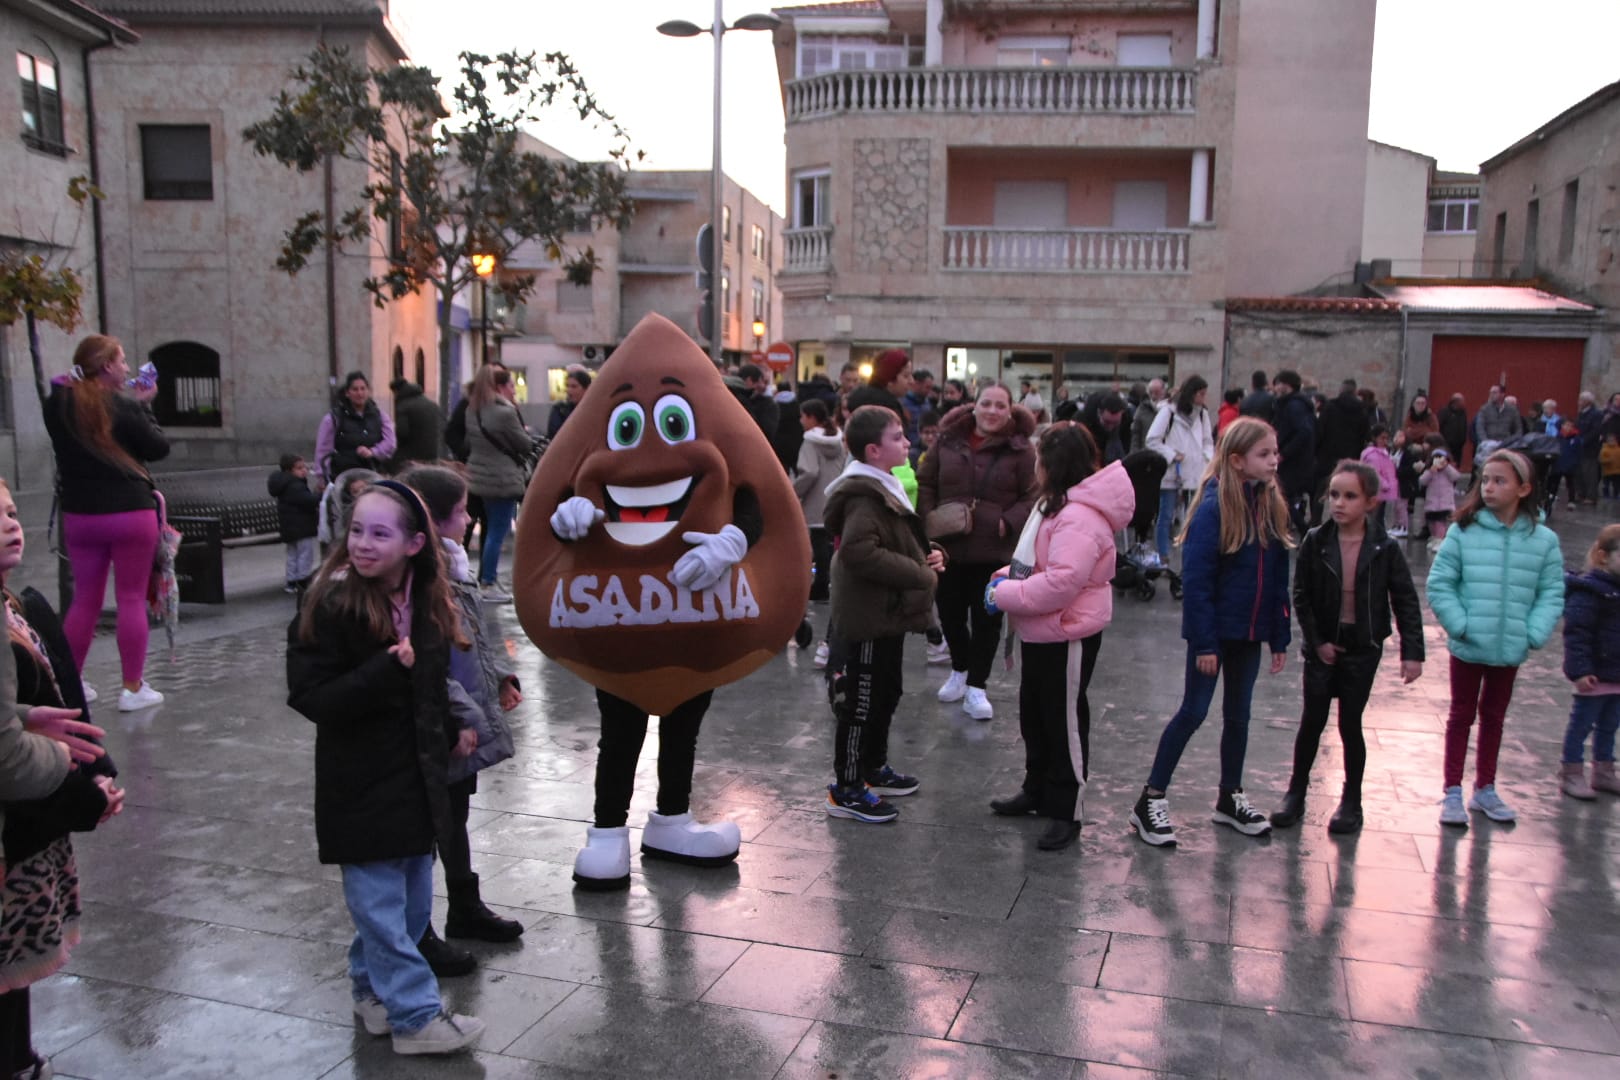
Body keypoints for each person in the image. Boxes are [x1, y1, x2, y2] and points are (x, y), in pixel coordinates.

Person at [286, 481, 486, 1055]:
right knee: (380, 909)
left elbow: (425, 687)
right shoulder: (333, 605)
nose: (364, 544)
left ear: (415, 544)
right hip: (360, 783)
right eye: (356, 531)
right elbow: (312, 696)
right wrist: (382, 670)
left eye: (380, 533)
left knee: (409, 906)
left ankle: (372, 991)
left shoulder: (423, 605)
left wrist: (451, 730)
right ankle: (416, 1017)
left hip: (415, 779)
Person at [0, 477, 122, 1080]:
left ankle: (20, 1057)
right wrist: (77, 782)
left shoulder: (9, 605)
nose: (9, 524)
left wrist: (27, 717)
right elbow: (7, 759)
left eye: (11, 510)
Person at [1130, 418, 1293, 847]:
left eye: (1275, 453)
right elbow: (1198, 582)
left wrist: (1280, 635)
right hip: (1215, 636)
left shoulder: (1272, 504)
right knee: (1194, 712)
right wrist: (1204, 642)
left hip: (1250, 634)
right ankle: (1151, 798)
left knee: (1239, 717)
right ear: (1237, 461)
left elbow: (1278, 579)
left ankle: (1229, 796)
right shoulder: (1214, 509)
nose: (1274, 461)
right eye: (1265, 454)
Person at [399, 466, 523, 972]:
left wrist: (497, 677)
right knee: (428, 827)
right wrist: (456, 719)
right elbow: (428, 659)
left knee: (455, 817)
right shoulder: (421, 577)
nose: (470, 515)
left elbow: (467, 639)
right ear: (433, 517)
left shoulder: (451, 564)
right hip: (438, 724)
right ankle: (419, 932)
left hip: (459, 718)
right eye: (461, 508)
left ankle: (464, 907)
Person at [986, 425, 1131, 851]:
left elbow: (1062, 583)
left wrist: (1005, 593)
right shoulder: (1056, 505)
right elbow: (1033, 563)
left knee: (1063, 719)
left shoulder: (1078, 516)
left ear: (1051, 464)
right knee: (1036, 713)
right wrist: (1002, 581)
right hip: (1042, 628)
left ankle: (1067, 807)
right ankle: (1038, 788)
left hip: (1067, 631)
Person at [1270, 461, 1423, 835]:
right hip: (1323, 647)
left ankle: (1351, 800)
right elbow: (1301, 595)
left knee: (1350, 724)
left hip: (1362, 648)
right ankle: (1296, 793)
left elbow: (1404, 598)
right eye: (1334, 495)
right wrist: (1317, 641)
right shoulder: (1316, 541)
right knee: (1312, 721)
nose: (1339, 503)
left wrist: (1412, 651)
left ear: (1370, 502)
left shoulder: (1383, 547)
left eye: (1350, 496)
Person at [821, 406, 946, 823]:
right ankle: (848, 786)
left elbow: (896, 538)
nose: (908, 442)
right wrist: (919, 574)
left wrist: (929, 556)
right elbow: (859, 551)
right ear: (874, 450)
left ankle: (873, 767)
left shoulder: (884, 484)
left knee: (886, 692)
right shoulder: (863, 494)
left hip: (886, 613)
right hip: (868, 617)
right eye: (898, 437)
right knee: (862, 702)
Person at [1427, 450, 1563, 829]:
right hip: (1469, 643)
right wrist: (1461, 625)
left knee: (1495, 717)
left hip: (1510, 647)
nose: (1488, 487)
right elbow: (1440, 584)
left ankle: (1485, 786)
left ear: (1524, 488)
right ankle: (1452, 789)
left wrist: (1533, 632)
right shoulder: (1463, 530)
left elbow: (1551, 591)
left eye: (1499, 481)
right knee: (1460, 715)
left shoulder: (1543, 540)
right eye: (1485, 479)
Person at [43, 335, 170, 712]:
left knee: (85, 600)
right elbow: (157, 448)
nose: (129, 368)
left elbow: (58, 385)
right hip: (131, 513)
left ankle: (71, 682)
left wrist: (71, 377)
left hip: (81, 517)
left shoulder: (58, 406)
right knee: (130, 597)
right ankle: (132, 688)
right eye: (123, 361)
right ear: (108, 366)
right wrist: (145, 406)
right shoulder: (124, 408)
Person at [917, 384, 1037, 722]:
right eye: (987, 404)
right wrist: (929, 518)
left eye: (1001, 406)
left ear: (1010, 410)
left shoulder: (1022, 450)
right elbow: (926, 483)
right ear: (974, 407)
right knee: (950, 615)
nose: (993, 411)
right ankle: (959, 668)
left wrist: (1008, 521)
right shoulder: (947, 441)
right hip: (948, 546)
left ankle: (977, 686)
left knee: (987, 620)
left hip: (994, 551)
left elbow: (1032, 496)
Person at [1558, 525, 1620, 799]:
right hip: (1594, 676)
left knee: (1610, 726)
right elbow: (1576, 634)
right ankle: (1571, 772)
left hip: (1617, 674)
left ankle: (1604, 770)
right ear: (1604, 556)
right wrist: (1580, 671)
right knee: (1581, 725)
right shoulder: (1590, 591)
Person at [463, 364, 532, 602]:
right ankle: (488, 582)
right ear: (500, 386)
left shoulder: (473, 409)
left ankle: (486, 580)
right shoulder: (505, 412)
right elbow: (523, 444)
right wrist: (526, 434)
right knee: (497, 531)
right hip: (502, 478)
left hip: (479, 476)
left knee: (491, 528)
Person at [1145, 375, 1214, 567]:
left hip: (1195, 471)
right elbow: (1152, 439)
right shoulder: (1168, 412)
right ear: (1192, 393)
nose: (1204, 397)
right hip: (1171, 472)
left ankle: (1189, 552)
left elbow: (1208, 441)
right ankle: (1163, 555)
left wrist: (1207, 457)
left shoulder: (1202, 414)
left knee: (1193, 516)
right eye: (1201, 393)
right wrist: (1171, 454)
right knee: (1166, 515)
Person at [794, 398, 845, 627]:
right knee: (828, 543)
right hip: (834, 496)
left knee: (815, 544)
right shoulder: (837, 440)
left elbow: (809, 471)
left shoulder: (810, 442)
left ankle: (819, 586)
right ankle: (827, 584)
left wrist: (794, 491)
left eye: (802, 416)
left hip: (815, 499)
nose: (800, 420)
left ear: (812, 417)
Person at [316, 371, 396, 484]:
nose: (360, 393)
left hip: (373, 474)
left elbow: (390, 443)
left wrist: (373, 452)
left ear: (368, 391)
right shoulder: (333, 418)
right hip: (343, 477)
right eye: (355, 389)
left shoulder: (380, 416)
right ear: (347, 393)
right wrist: (322, 477)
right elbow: (323, 450)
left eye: (363, 389)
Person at [1311, 380, 1369, 526]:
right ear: (1355, 392)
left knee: (1320, 491)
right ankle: (1345, 520)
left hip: (1327, 456)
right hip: (1350, 458)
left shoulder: (1330, 407)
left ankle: (1315, 522)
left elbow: (1320, 431)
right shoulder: (1361, 410)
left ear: (1341, 390)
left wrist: (1316, 452)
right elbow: (1364, 435)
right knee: (1347, 491)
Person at [1271, 370, 1316, 535]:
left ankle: (1304, 532)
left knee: (1283, 497)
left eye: (1278, 383)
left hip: (1293, 462)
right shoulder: (1289, 404)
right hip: (1294, 460)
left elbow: (1304, 432)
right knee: (1284, 497)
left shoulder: (1294, 405)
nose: (1275, 387)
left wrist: (1284, 453)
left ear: (1286, 385)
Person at [268, 454, 320, 595]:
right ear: (289, 471)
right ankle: (303, 580)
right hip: (302, 526)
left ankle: (291, 581)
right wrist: (320, 495)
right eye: (299, 468)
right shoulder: (295, 485)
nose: (304, 471)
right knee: (305, 554)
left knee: (292, 554)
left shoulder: (284, 485)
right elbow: (308, 501)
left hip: (289, 527)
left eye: (305, 467)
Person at [319, 467, 381, 554]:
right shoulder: (349, 510)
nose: (361, 492)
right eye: (355, 491)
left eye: (363, 488)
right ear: (350, 494)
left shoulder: (379, 506)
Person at [389, 378, 445, 468]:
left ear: (396, 391)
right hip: (435, 454)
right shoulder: (432, 404)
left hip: (414, 455)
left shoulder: (403, 405)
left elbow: (402, 433)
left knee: (388, 466)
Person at [1417, 446, 1462, 553]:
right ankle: (1434, 538)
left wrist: (1447, 467)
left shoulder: (1448, 471)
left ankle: (1440, 540)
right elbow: (1422, 481)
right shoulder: (1430, 471)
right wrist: (1431, 471)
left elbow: (1456, 477)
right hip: (1432, 503)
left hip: (1445, 503)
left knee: (1440, 523)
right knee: (1432, 522)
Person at [846, 350, 910, 424]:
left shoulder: (857, 401)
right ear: (890, 379)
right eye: (906, 376)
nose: (911, 381)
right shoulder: (887, 410)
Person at [1359, 425, 1398, 531]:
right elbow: (1374, 473)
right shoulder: (1373, 456)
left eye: (1386, 438)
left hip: (1383, 493)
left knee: (1379, 517)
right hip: (1378, 491)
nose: (1385, 441)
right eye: (1382, 438)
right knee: (1375, 518)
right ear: (1375, 438)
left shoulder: (1384, 453)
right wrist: (1385, 485)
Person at [1079, 390, 1129, 466]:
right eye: (1107, 422)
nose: (1110, 427)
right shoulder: (1083, 420)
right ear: (1099, 413)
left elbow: (1127, 442)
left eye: (1115, 423)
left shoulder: (1127, 417)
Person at [1574, 391, 1603, 505]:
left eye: (1581, 400)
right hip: (1579, 447)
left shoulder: (1596, 414)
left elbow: (1596, 431)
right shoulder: (1581, 413)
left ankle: (1591, 496)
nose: (1579, 402)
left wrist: (1584, 440)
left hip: (1590, 448)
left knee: (1589, 473)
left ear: (1587, 402)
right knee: (1579, 471)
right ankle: (1580, 493)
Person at [546, 369, 591, 440]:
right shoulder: (560, 410)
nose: (569, 390)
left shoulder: (594, 410)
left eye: (574, 386)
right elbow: (554, 435)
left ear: (587, 388)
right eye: (567, 386)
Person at [1130, 378, 1166, 454]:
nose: (1153, 396)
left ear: (1163, 391)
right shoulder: (1142, 409)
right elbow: (1136, 434)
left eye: (1156, 392)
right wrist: (1134, 455)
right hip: (1146, 454)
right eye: (1151, 393)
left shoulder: (1169, 409)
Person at [1436, 392, 1469, 465]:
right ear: (1455, 401)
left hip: (1458, 446)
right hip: (1446, 445)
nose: (1464, 403)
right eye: (1462, 401)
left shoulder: (1462, 413)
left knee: (1456, 464)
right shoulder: (1445, 412)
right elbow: (1438, 426)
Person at [1602, 432, 1620, 499]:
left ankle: (1616, 494)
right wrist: (1608, 460)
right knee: (1606, 484)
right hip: (1607, 471)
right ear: (1607, 441)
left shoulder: (1618, 449)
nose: (1611, 442)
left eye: (1613, 440)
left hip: (1617, 471)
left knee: (1616, 484)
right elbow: (1602, 459)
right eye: (1610, 440)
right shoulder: (1604, 450)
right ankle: (1606, 494)